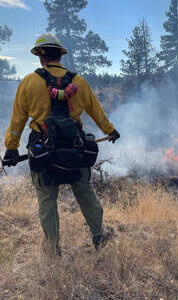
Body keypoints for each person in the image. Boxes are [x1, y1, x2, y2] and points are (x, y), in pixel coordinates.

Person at [3, 33, 120, 255]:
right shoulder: (79, 81)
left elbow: (17, 120)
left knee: (47, 200)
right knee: (85, 193)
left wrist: (11, 147)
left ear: (41, 56)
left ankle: (54, 249)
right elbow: (97, 111)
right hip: (74, 150)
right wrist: (110, 131)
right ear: (60, 55)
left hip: (42, 152)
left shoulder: (29, 82)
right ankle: (98, 236)